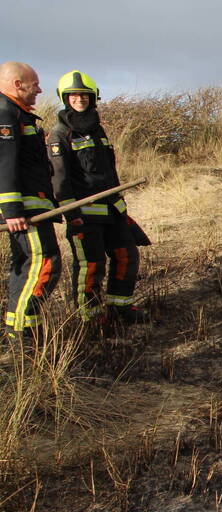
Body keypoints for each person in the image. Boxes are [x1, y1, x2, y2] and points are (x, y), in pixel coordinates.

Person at [47, 70, 149, 325]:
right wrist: (72, 215)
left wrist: (121, 206)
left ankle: (120, 307)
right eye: (74, 95)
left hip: (112, 209)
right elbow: (59, 179)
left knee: (127, 255)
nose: (80, 99)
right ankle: (90, 319)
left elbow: (108, 171)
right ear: (65, 99)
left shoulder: (98, 130)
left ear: (93, 99)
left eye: (85, 95)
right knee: (91, 265)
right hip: (84, 214)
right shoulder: (60, 134)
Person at [0, 61, 61, 341]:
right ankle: (25, 333)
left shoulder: (19, 115)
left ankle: (15, 330)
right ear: (17, 84)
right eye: (34, 84)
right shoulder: (5, 114)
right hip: (24, 209)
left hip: (32, 205)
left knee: (25, 265)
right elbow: (5, 162)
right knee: (44, 261)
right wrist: (11, 209)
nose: (40, 89)